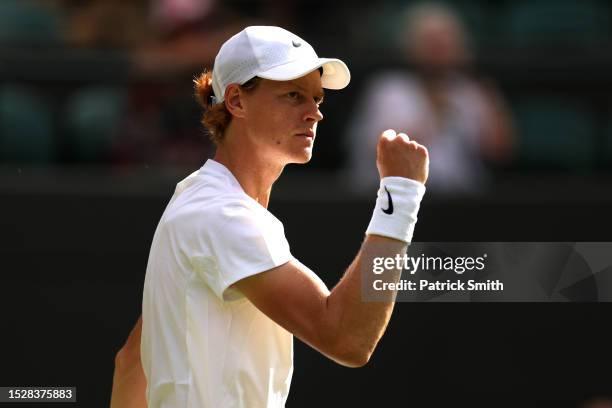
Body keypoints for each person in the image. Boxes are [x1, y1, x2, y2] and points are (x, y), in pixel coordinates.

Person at [111, 25, 429, 407]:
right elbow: (348, 339)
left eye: (317, 99)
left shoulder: (200, 203)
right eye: (293, 96)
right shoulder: (222, 215)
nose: (314, 113)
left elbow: (133, 361)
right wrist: (401, 195)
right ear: (236, 101)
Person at [345, 2, 513, 195]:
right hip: (393, 199)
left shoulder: (470, 90)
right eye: (430, 42)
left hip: (460, 200)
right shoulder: (389, 89)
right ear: (410, 46)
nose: (438, 50)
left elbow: (501, 151)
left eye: (445, 41)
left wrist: (485, 88)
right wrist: (436, 107)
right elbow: (383, 151)